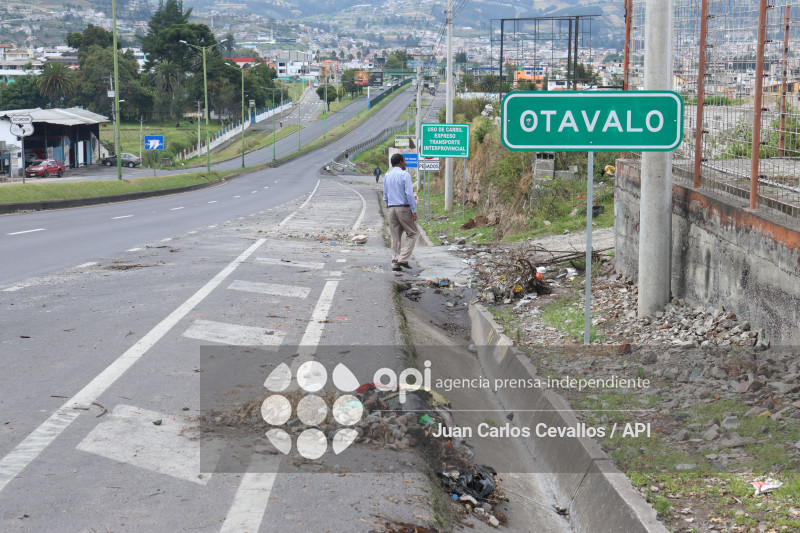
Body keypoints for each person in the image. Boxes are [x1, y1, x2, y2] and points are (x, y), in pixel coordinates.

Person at [383, 154, 418, 272]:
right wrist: (413, 210)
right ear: (400, 162)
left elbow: (385, 194)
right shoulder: (405, 175)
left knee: (395, 236)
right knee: (412, 233)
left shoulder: (387, 175)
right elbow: (409, 193)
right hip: (403, 208)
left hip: (391, 208)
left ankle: (395, 262)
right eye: (404, 161)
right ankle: (403, 259)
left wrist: (388, 206)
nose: (405, 163)